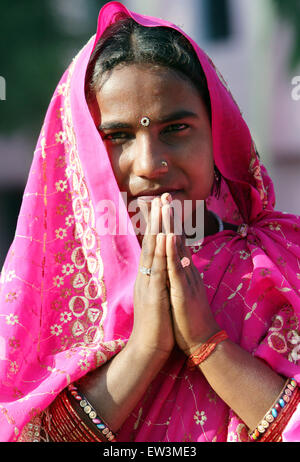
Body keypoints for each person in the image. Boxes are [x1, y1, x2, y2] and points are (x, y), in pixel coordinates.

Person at [0, 1, 299, 443]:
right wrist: (144, 350)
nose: (150, 164)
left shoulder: (281, 266)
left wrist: (208, 344)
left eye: (176, 129)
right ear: (81, 152)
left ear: (218, 135)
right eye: (119, 136)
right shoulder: (46, 295)